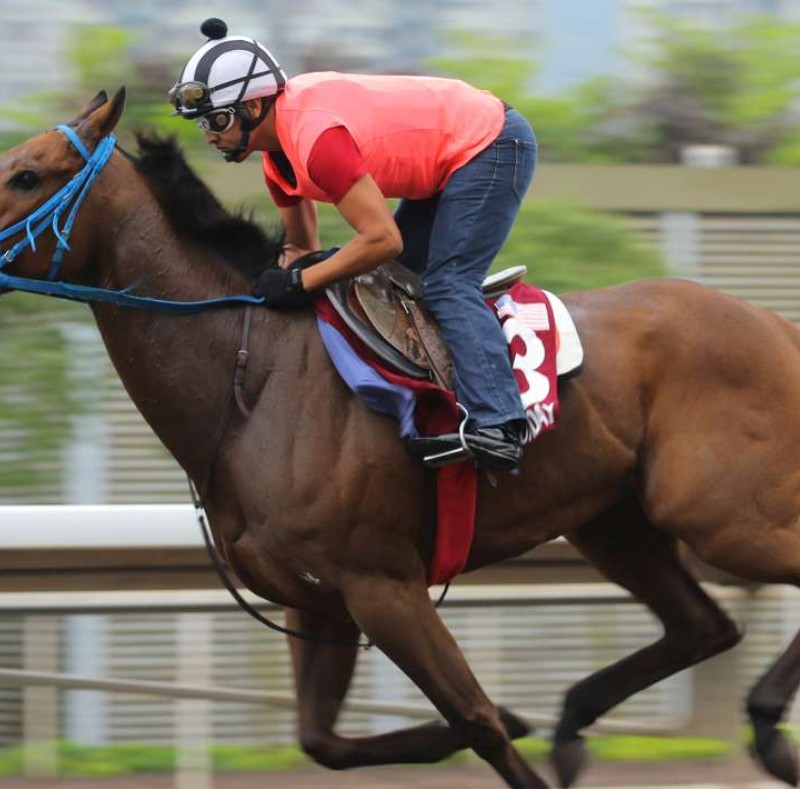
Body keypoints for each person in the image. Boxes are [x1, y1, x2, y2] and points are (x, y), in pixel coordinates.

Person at [169, 18, 537, 472]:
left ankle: (499, 422)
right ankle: (440, 402)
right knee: (393, 283)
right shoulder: (277, 161)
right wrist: (262, 285)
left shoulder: (317, 142)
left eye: (217, 120)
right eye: (203, 123)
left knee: (446, 284)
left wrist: (300, 282)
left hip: (491, 143)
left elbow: (382, 239)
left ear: (255, 104)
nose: (209, 135)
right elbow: (301, 250)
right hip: (448, 159)